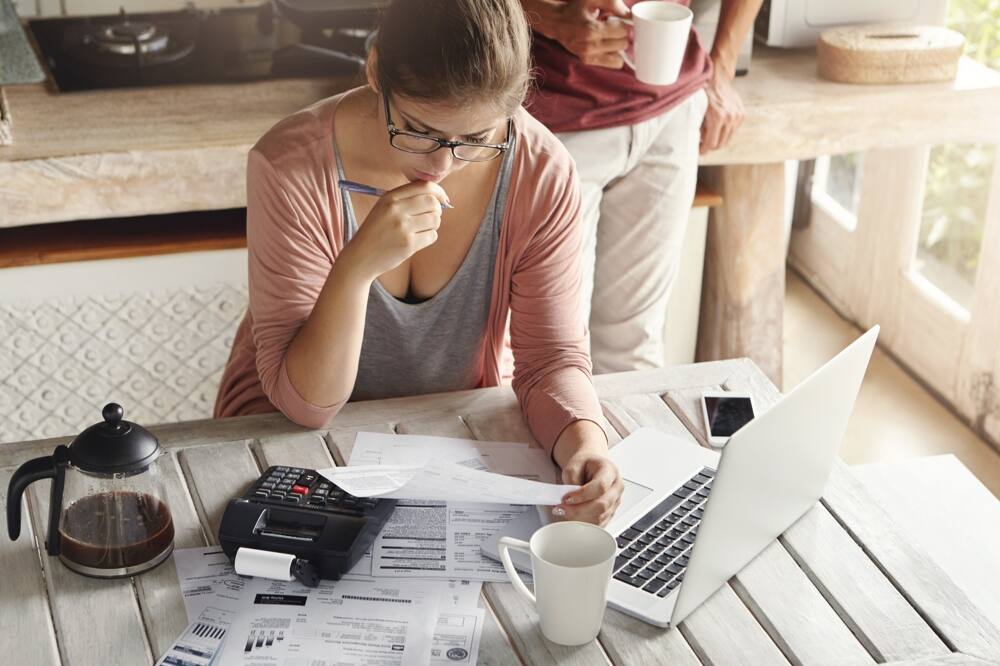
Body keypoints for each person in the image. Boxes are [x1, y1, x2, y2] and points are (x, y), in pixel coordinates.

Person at [214, 0, 623, 525]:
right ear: (374, 68)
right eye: (418, 129)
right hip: (285, 435)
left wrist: (586, 444)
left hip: (445, 436)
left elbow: (549, 362)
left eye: (476, 140)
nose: (441, 166)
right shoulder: (290, 165)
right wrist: (357, 267)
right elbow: (306, 404)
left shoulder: (541, 173)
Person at [520, 0, 760, 372]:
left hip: (671, 111)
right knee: (555, 354)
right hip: (552, 121)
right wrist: (548, 17)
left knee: (636, 347)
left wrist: (722, 69)